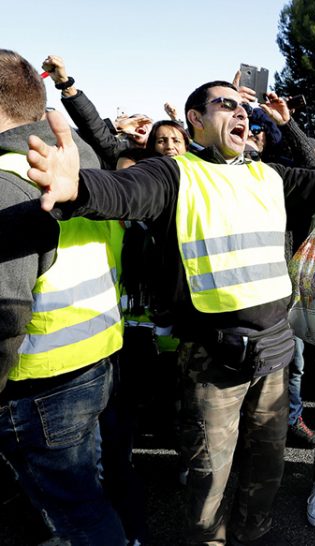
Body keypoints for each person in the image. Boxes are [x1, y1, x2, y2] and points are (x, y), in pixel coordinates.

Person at [25, 80, 315, 545]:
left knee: (267, 474)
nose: (239, 113)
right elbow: (125, 189)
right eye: (225, 104)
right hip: (215, 362)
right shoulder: (176, 174)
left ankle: (253, 537)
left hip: (275, 355)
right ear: (195, 118)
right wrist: (79, 189)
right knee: (209, 482)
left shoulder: (270, 176)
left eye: (242, 108)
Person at [0, 48, 126, 545]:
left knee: (78, 514)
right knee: (84, 494)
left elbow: (4, 314)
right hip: (94, 359)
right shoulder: (78, 158)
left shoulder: (8, 177)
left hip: (37, 384)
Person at [42, 55, 152, 169]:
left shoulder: (157, 160)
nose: (140, 124)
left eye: (145, 122)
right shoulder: (117, 149)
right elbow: (94, 128)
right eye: (136, 121)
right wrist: (114, 126)